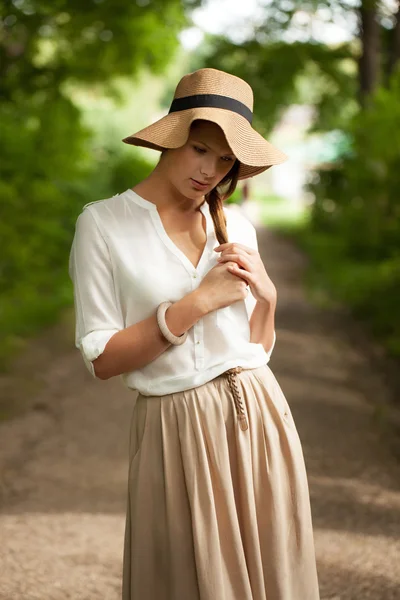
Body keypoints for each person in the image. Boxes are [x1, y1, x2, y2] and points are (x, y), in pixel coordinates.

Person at [69, 68, 320, 600]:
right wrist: (194, 305)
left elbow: (256, 349)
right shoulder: (104, 224)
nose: (210, 170)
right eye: (201, 150)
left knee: (274, 576)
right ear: (172, 138)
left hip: (261, 418)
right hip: (176, 427)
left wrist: (268, 300)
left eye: (225, 160)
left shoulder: (238, 227)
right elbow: (101, 359)